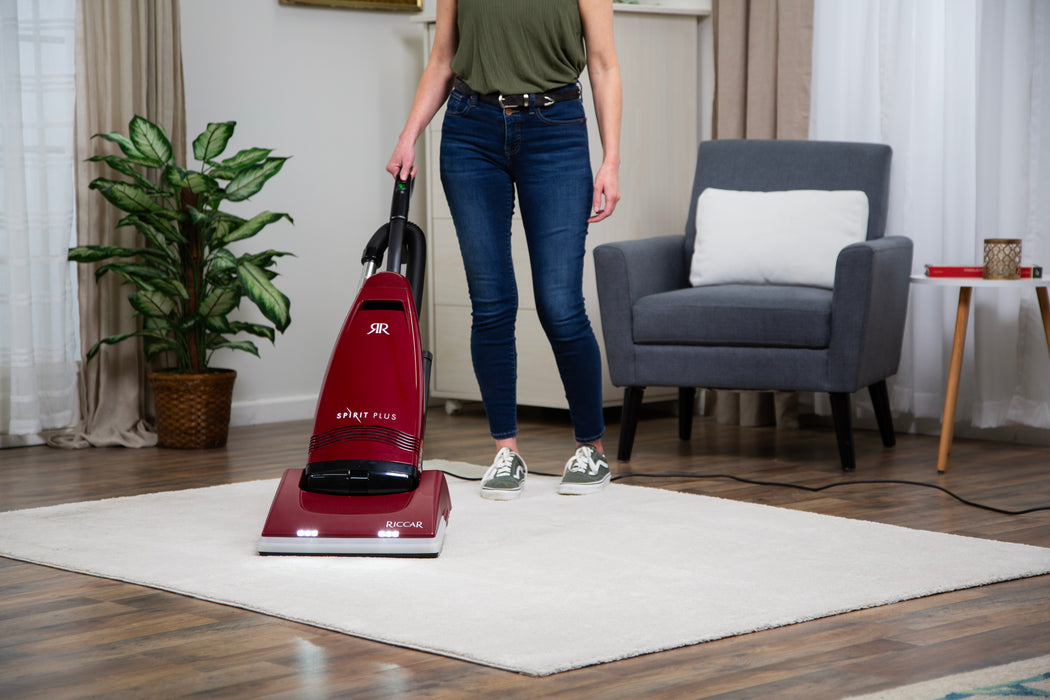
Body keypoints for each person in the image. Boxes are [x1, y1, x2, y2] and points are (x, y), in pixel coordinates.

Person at [387, 0, 622, 500]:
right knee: (491, 302)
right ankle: (505, 451)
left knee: (560, 305)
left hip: (556, 131)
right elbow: (443, 59)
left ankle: (592, 449)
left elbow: (602, 63)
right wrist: (409, 135)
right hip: (471, 131)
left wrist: (611, 161)